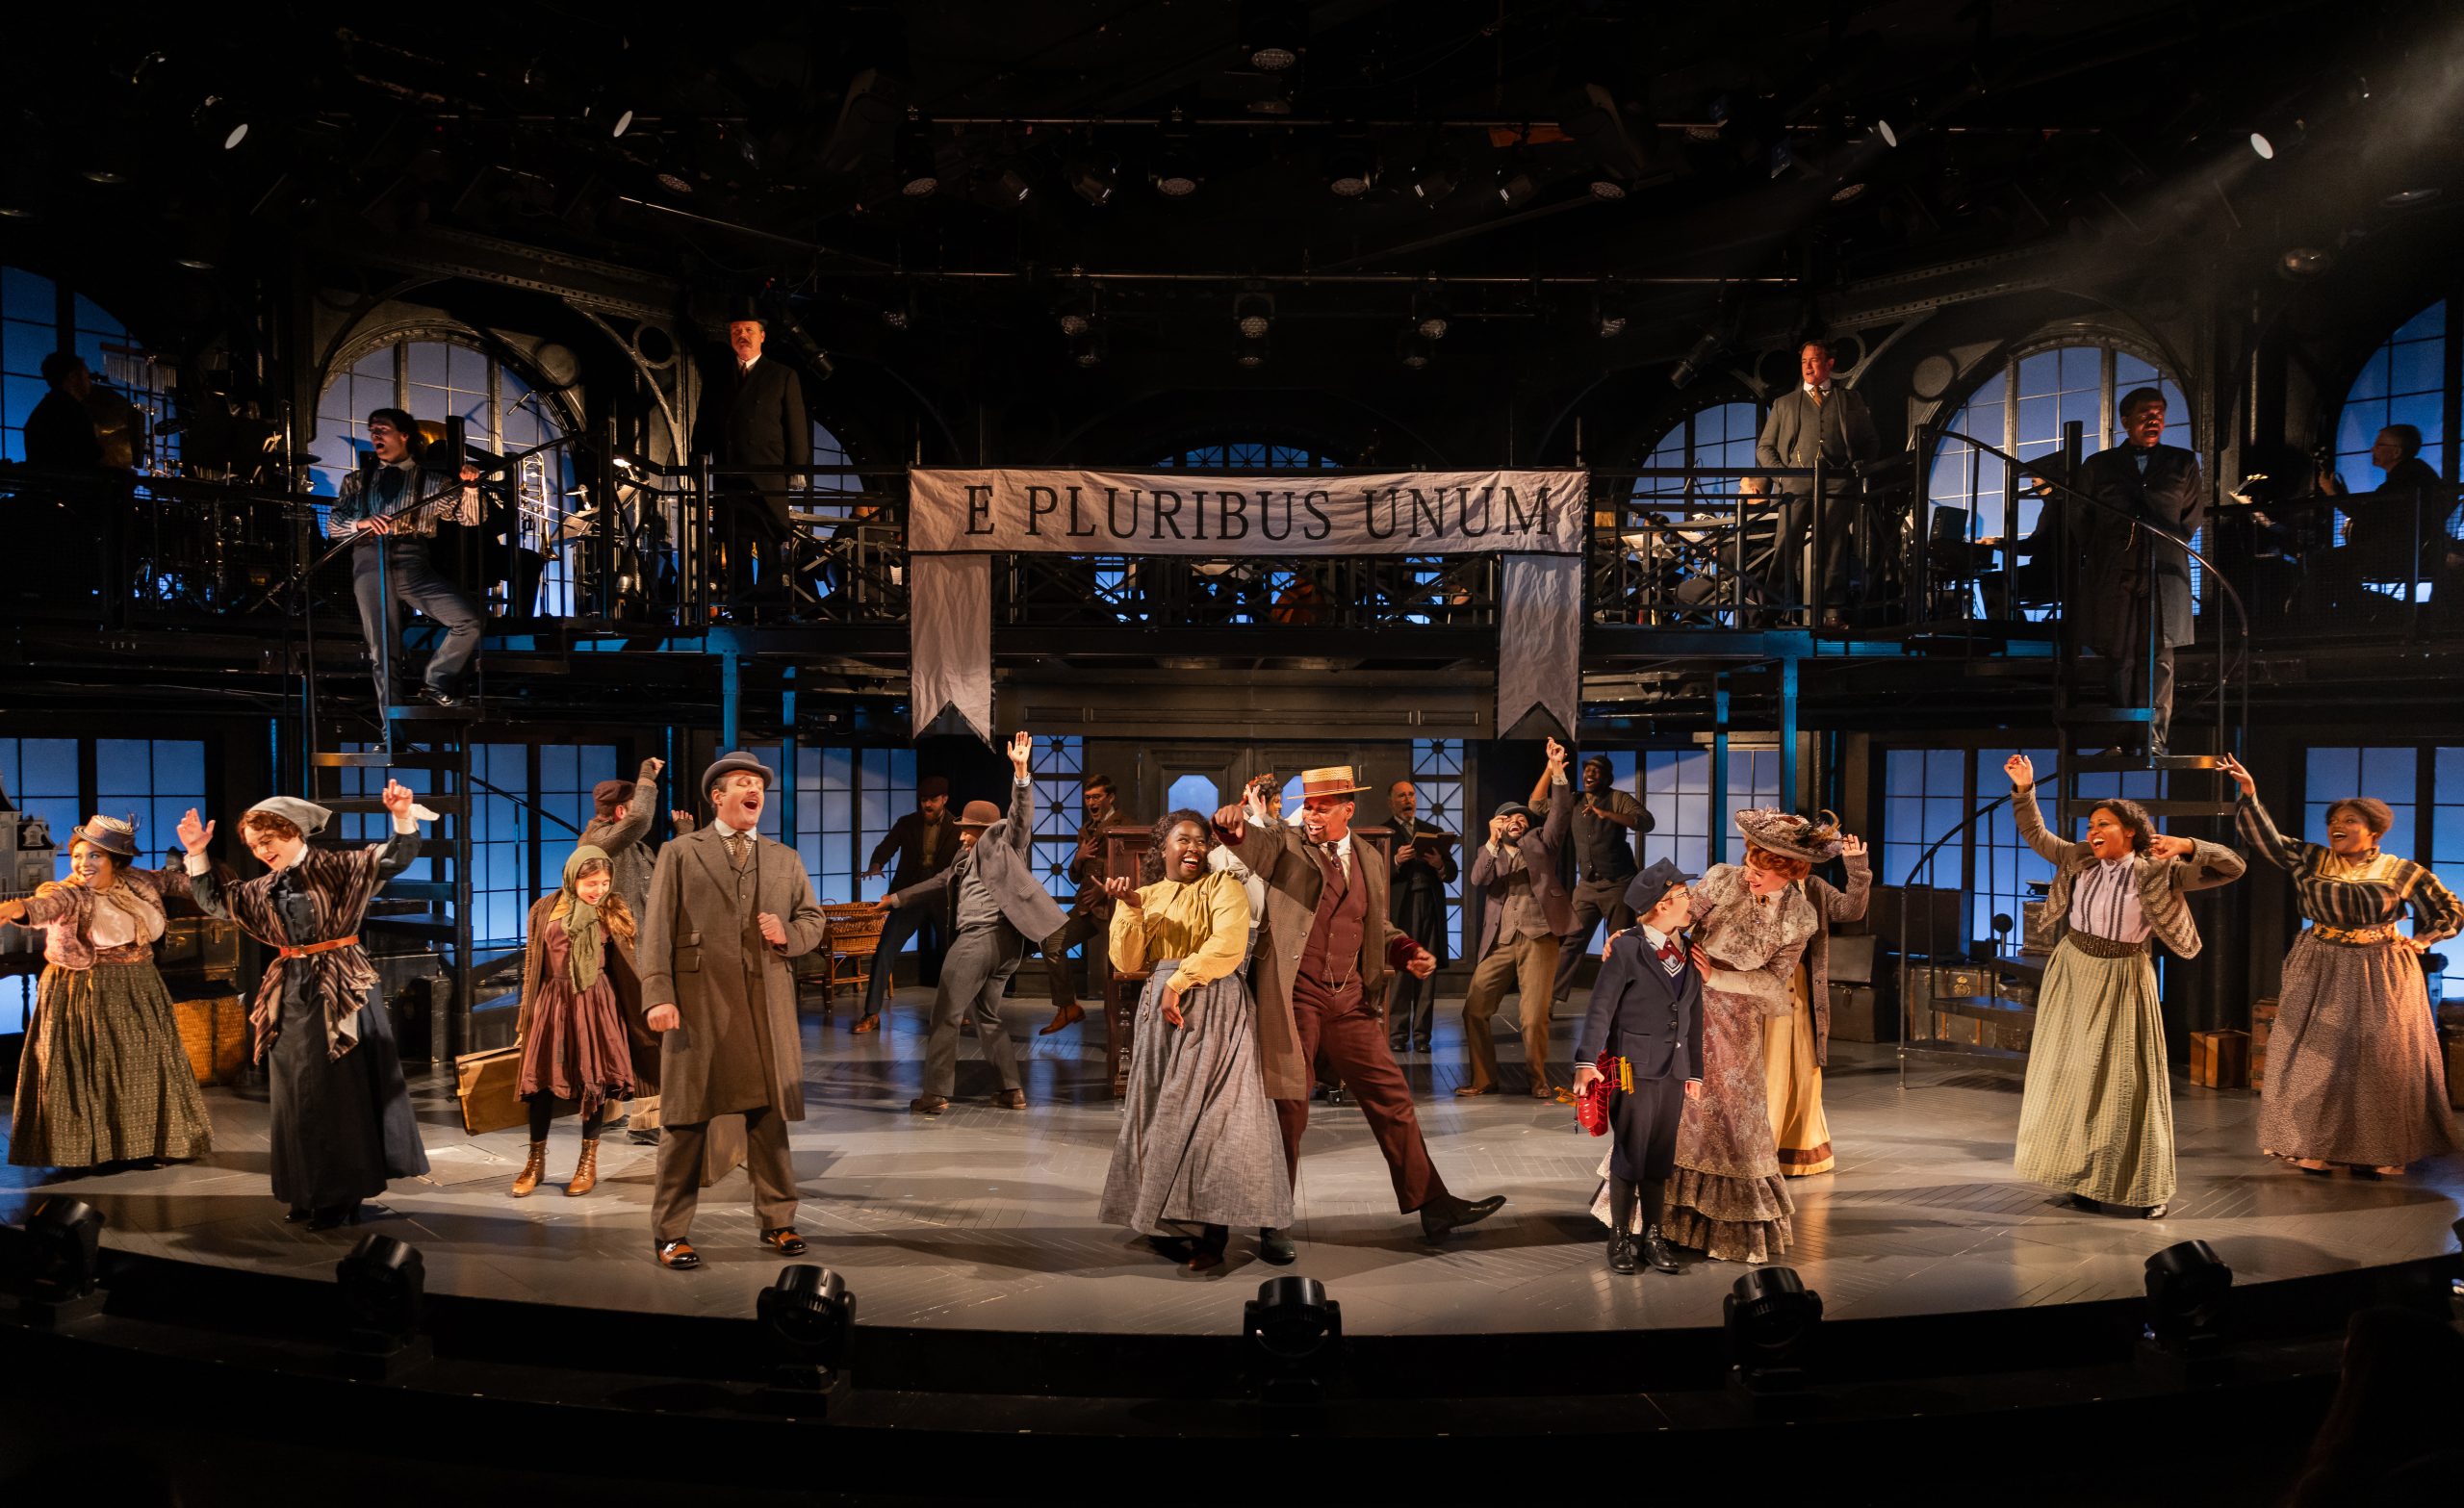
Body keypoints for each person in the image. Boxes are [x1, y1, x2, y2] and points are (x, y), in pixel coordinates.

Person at [1213, 767, 1504, 1262]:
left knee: (1392, 1096)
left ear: (1348, 810)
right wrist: (1233, 826)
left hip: (1348, 1001)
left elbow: (1374, 923)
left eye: (1322, 806)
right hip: (1295, 998)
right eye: (1307, 805)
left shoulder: (1368, 856)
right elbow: (1253, 849)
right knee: (1290, 1107)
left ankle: (1433, 1204)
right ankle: (1273, 1218)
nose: (1310, 813)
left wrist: (1405, 949)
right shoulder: (1284, 844)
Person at [178, 787, 434, 1229]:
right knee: (294, 1095)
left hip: (339, 985)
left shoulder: (338, 867)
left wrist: (402, 817)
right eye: (255, 846)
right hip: (291, 988)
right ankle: (305, 1190)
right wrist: (198, 855)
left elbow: (394, 858)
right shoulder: (263, 888)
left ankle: (341, 1195)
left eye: (267, 841)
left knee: (336, 1094)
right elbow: (218, 901)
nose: (262, 852)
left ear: (291, 831)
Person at [2003, 754, 2244, 1217]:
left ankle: (2145, 1188)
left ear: (2130, 831)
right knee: (2070, 1078)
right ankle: (2079, 1177)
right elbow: (2036, 835)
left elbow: (2232, 867)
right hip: (2072, 971)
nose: (2093, 831)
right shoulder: (2078, 858)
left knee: (2126, 1083)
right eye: (2091, 823)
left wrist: (2189, 845)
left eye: (2104, 824)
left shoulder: (2161, 869)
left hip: (2122, 977)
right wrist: (2024, 790)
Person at [2220, 754, 2459, 1177]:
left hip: (2381, 969)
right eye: (2335, 819)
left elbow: (2449, 910)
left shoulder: (2401, 870)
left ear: (2373, 831)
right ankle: (2313, 1145)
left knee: (2381, 1058)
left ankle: (2386, 1149)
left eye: (2350, 819)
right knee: (2316, 1059)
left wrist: (2423, 940)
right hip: (2320, 963)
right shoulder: (2312, 859)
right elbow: (2268, 841)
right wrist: (2250, 794)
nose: (2339, 825)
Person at [636, 751, 829, 1270]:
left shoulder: (784, 858)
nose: (755, 791)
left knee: (768, 1119)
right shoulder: (680, 852)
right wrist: (658, 993)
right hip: (699, 1004)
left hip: (766, 1003)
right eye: (743, 783)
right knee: (685, 1119)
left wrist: (787, 934)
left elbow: (813, 919)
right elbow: (655, 929)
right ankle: (671, 1232)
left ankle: (778, 1220)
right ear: (717, 797)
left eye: (759, 785)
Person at [1658, 810, 1863, 1263]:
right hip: (1685, 1012)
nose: (1750, 876)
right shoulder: (1722, 880)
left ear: (1789, 874)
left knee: (1736, 1121)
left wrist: (1720, 978)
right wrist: (1640, 937)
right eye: (1750, 866)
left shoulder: (1800, 918)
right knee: (1676, 1116)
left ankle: (1721, 1228)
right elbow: (1674, 917)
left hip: (1737, 1023)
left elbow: (1774, 983)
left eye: (1761, 872)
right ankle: (1659, 1223)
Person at [1099, 809, 1291, 1270]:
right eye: (1182, 840)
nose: (1193, 848)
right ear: (1162, 847)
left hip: (1214, 1003)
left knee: (1219, 1120)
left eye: (1201, 841)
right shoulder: (1146, 896)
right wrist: (1128, 909)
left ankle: (1216, 1230)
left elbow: (1227, 944)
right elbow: (1126, 960)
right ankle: (1168, 1220)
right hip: (1161, 1017)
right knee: (1159, 1116)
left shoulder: (1223, 885)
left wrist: (1179, 981)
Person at [1, 815, 214, 1170]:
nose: (84, 865)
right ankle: (88, 1152)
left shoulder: (138, 881)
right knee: (88, 1068)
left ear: (117, 861)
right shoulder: (67, 891)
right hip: (83, 986)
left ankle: (144, 1146)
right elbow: (44, 906)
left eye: (95, 857)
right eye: (78, 856)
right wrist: (13, 909)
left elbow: (190, 886)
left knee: (143, 1066)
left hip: (139, 980)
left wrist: (196, 851)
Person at [878, 733, 1064, 1115]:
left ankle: (935, 1093)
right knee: (987, 1014)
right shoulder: (963, 861)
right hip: (1001, 949)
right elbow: (936, 882)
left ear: (984, 830)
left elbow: (1020, 820)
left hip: (982, 938)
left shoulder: (1001, 843)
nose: (961, 833)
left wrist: (1021, 773)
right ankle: (1012, 1090)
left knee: (944, 1012)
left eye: (967, 829)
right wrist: (894, 899)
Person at [1574, 858, 1703, 1275]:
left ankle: (1653, 1235)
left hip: (1673, 1068)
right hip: (1634, 1066)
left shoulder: (1688, 949)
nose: (1690, 901)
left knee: (1660, 1157)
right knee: (1630, 1153)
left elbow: (1693, 1015)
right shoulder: (1628, 948)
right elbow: (1600, 1008)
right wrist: (1586, 1061)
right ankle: (1620, 1238)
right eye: (1683, 896)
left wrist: (1694, 1070)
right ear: (1662, 905)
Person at [510, 846, 647, 1198]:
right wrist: (524, 1019)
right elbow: (532, 965)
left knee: (593, 1082)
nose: (598, 889)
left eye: (604, 882)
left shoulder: (611, 909)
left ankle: (588, 1161)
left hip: (595, 1000)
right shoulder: (544, 908)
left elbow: (629, 961)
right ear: (573, 877)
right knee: (541, 1084)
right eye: (591, 882)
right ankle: (535, 1162)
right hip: (552, 1000)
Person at [2073, 388, 2205, 754]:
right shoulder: (2098, 466)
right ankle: (2122, 738)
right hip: (2116, 572)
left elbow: (2190, 518)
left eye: (2160, 413)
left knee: (2160, 657)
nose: (2154, 419)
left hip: (2164, 572)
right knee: (2120, 656)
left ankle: (2154, 739)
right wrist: (2110, 551)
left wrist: (2161, 544)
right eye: (2146, 413)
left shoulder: (2182, 462)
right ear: (2125, 419)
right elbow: (2081, 522)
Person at [327, 407, 487, 708]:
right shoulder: (356, 481)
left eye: (382, 428)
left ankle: (436, 681)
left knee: (469, 619)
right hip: (369, 559)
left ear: (404, 435)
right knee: (383, 653)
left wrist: (471, 490)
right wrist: (362, 523)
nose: (374, 434)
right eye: (372, 429)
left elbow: (470, 519)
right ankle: (392, 737)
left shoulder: (432, 482)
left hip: (412, 560)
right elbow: (334, 526)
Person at [579, 756, 690, 1146]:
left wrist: (681, 833)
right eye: (632, 809)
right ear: (622, 810)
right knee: (644, 1033)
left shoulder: (630, 846)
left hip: (637, 948)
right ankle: (647, 1119)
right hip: (619, 953)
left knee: (625, 1031)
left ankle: (612, 1107)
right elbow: (642, 820)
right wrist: (646, 776)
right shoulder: (599, 841)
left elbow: (664, 877)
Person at [1459, 737, 1577, 1102]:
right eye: (1508, 818)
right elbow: (1478, 880)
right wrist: (1491, 843)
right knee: (1475, 1008)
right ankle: (1484, 1077)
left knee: (1533, 1016)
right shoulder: (1489, 851)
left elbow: (1559, 814)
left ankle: (1537, 1078)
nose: (1516, 821)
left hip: (1539, 936)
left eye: (1521, 817)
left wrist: (1556, 772)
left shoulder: (1543, 841)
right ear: (1498, 823)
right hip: (1501, 939)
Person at [1755, 814, 1870, 1178]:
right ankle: (1760, 1150)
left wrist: (1857, 870)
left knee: (1803, 1067)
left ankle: (1799, 1147)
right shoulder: (1756, 882)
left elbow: (1850, 910)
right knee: (1769, 1069)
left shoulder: (1814, 887)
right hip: (1764, 986)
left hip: (1801, 987)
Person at [1755, 338, 1882, 623]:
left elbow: (1870, 441)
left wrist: (1859, 466)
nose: (1808, 367)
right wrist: (1782, 475)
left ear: (1829, 364)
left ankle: (1832, 611)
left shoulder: (1850, 399)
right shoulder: (1785, 403)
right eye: (1803, 362)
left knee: (1834, 547)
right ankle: (1773, 609)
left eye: (1814, 360)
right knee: (1786, 547)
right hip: (1796, 484)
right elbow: (1764, 447)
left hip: (1837, 482)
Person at [690, 312, 812, 610]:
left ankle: (772, 610)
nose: (741, 335)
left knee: (770, 543)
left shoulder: (782, 375)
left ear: (762, 336)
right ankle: (742, 609)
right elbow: (705, 420)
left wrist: (797, 467)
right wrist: (698, 455)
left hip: (767, 473)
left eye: (747, 330)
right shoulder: (718, 377)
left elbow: (795, 424)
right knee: (736, 544)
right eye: (735, 330)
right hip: (729, 472)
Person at [1539, 754, 1655, 1011]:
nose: (1589, 774)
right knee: (1572, 941)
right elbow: (1536, 806)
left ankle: (1621, 1001)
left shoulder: (1618, 798)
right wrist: (1550, 770)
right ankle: (1549, 999)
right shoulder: (1573, 799)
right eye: (1587, 770)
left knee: (1620, 945)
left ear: (1608, 777)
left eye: (1596, 771)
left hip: (1619, 885)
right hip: (1588, 886)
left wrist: (1607, 814)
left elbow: (1646, 822)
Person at [2307, 423, 2456, 612]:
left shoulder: (2403, 479)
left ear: (2396, 452)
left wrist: (2331, 492)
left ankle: (2317, 619)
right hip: (2415, 550)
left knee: (2322, 560)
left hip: (2398, 552)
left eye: (2379, 445)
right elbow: (2378, 515)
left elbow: (2367, 514)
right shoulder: (2417, 474)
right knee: (2339, 567)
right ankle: (2362, 610)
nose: (2372, 449)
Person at [856, 775, 963, 1033]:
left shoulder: (958, 826)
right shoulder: (908, 823)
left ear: (945, 799)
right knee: (885, 950)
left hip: (943, 896)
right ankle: (871, 1014)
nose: (927, 805)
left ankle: (959, 1012)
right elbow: (887, 846)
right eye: (924, 800)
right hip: (909, 896)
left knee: (957, 956)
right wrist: (876, 865)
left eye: (933, 800)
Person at [1040, 772, 1126, 1036]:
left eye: (1097, 796)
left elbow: (1133, 870)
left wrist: (1106, 891)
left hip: (1111, 909)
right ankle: (1067, 1007)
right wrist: (1077, 858)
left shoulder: (1125, 826)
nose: (1091, 802)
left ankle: (1118, 1031)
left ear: (1110, 798)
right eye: (1088, 797)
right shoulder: (1085, 831)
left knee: (1112, 971)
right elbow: (1075, 876)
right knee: (1051, 943)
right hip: (1086, 907)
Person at [1383, 778, 1457, 1053]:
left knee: (1429, 970)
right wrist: (1394, 861)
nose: (1408, 800)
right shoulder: (1384, 832)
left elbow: (1451, 872)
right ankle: (1397, 1036)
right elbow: (1372, 874)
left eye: (1411, 795)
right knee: (1403, 968)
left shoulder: (1432, 830)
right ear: (1391, 801)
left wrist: (1439, 864)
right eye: (1401, 796)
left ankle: (1423, 1036)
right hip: (1402, 906)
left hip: (1430, 905)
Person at [23, 352, 103, 469]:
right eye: (87, 376)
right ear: (73, 377)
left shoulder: (43, 410)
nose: (90, 383)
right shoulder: (71, 411)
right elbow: (88, 455)